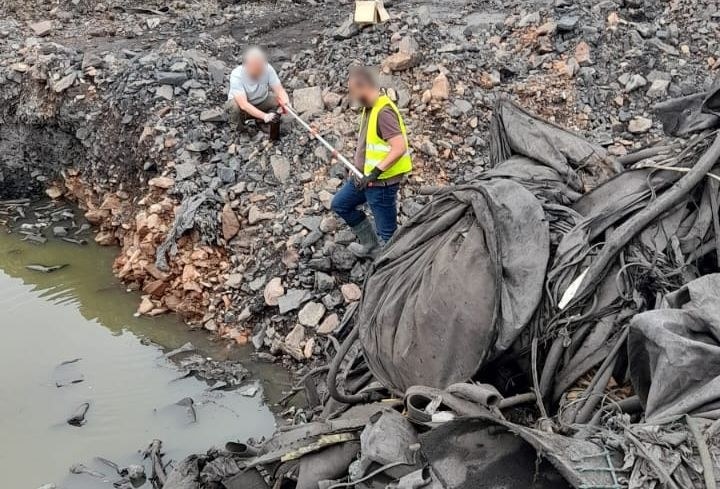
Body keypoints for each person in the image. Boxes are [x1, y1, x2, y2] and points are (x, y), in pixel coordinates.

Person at [331, 66, 412, 258]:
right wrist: (357, 167)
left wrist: (374, 172)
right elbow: (369, 144)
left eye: (353, 92)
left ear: (363, 87)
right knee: (340, 204)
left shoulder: (383, 112)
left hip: (382, 183)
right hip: (364, 178)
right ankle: (370, 245)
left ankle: (394, 265)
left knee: (388, 233)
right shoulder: (370, 108)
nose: (353, 97)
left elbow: (399, 147)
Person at [225, 47, 290, 140]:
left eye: (260, 72)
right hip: (243, 110)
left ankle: (263, 122)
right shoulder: (236, 75)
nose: (258, 77)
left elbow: (279, 90)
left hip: (261, 101)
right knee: (234, 106)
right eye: (254, 74)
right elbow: (244, 105)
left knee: (277, 100)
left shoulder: (267, 69)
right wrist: (264, 116)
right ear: (245, 66)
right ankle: (241, 130)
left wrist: (286, 102)